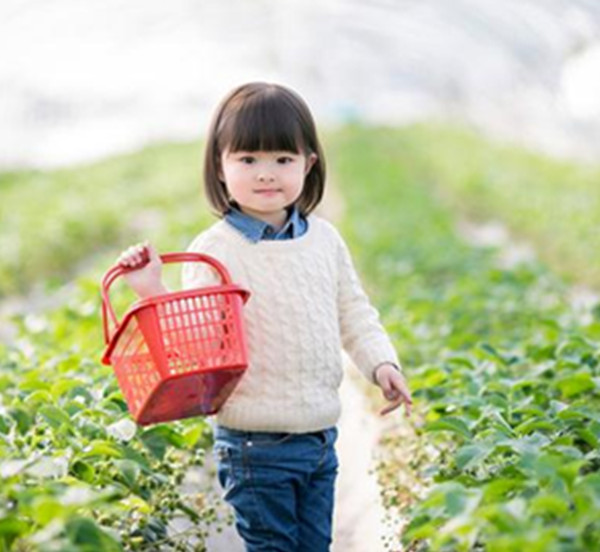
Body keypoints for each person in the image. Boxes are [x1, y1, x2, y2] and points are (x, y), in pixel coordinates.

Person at [116, 82, 412, 551]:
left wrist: (381, 364)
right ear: (220, 164)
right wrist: (151, 289)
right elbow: (194, 348)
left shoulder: (324, 240)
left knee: (316, 545)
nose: (266, 174)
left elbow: (353, 310)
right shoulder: (215, 250)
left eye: (282, 159)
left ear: (309, 164)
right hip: (254, 445)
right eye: (248, 160)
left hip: (319, 435)